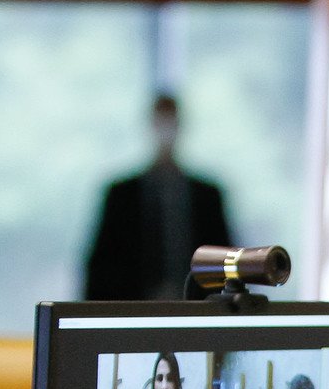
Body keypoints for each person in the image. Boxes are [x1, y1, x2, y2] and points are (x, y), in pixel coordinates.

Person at [83, 93, 233, 302]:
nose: (166, 130)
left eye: (171, 121)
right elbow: (101, 269)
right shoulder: (121, 196)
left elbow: (228, 265)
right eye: (161, 121)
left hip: (197, 316)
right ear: (151, 125)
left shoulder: (207, 196)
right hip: (133, 316)